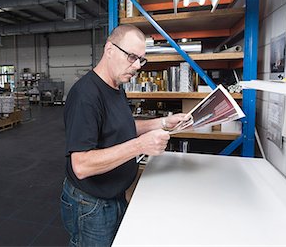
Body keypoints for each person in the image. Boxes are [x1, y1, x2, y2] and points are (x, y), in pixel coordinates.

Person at [60, 24, 189, 246]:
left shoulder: (117, 87)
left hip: (114, 195)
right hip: (91, 204)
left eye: (141, 59)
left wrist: (164, 122)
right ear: (109, 50)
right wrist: (139, 146)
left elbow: (122, 128)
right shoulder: (85, 95)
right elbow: (81, 165)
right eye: (132, 57)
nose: (138, 66)